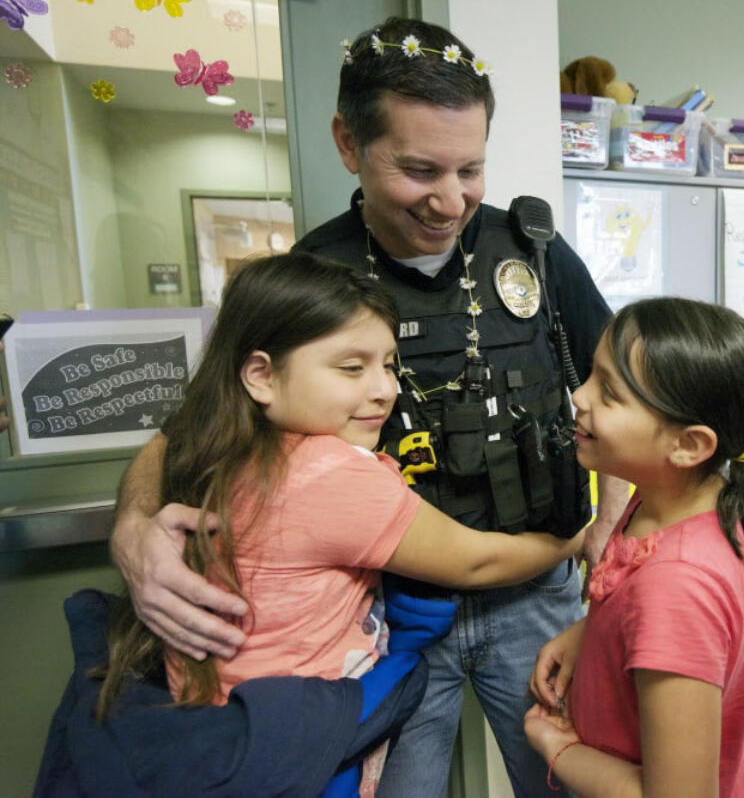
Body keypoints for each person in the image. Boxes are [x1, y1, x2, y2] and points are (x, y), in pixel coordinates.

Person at [108, 16, 629, 796]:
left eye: (471, 169)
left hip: (539, 604)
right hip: (386, 620)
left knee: (569, 781)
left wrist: (612, 525)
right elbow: (185, 434)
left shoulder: (535, 253)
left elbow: (624, 388)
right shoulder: (311, 272)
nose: (451, 201)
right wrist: (132, 530)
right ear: (348, 144)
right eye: (420, 170)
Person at [95, 254, 580, 790]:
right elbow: (475, 560)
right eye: (352, 368)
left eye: (390, 364)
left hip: (226, 735)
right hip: (301, 747)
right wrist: (575, 539)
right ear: (261, 375)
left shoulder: (220, 449)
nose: (385, 389)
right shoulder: (328, 473)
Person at [523, 298, 744, 797]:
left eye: (609, 392)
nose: (579, 396)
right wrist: (588, 632)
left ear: (688, 445)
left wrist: (556, 748)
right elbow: (631, 596)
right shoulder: (665, 502)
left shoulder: (678, 583)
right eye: (589, 377)